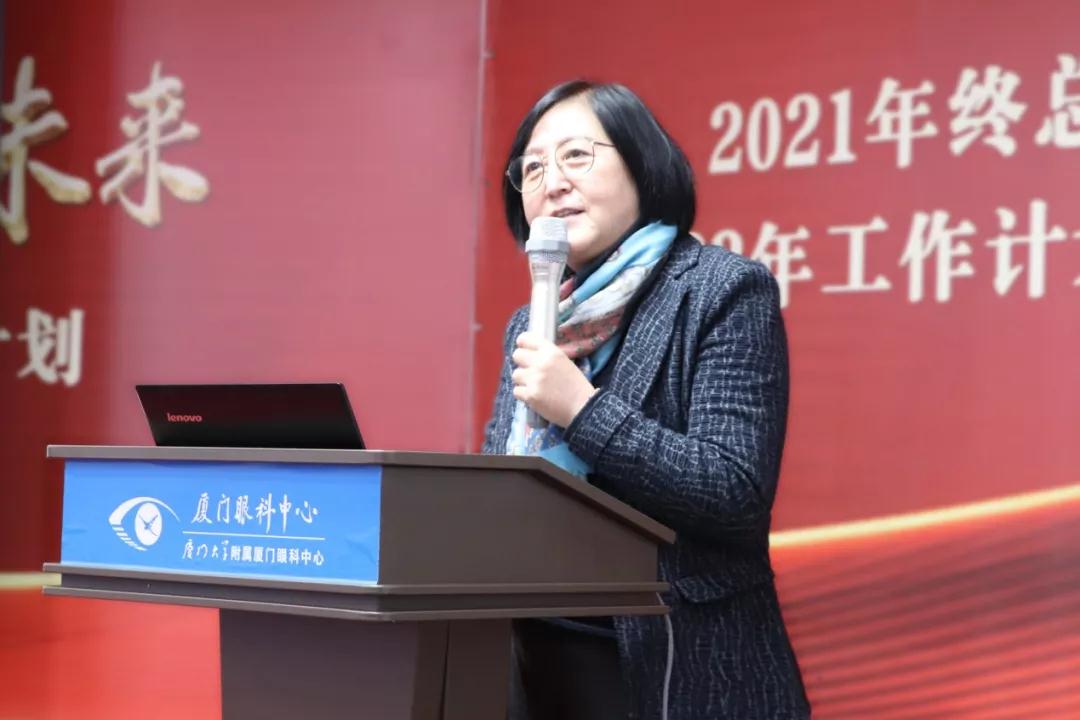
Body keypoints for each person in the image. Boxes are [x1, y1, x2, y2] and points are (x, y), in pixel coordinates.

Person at [481, 80, 810, 720]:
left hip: (679, 667)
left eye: (576, 155)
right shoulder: (535, 321)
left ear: (642, 163)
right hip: (537, 658)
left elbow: (734, 492)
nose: (552, 182)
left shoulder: (722, 290)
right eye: (533, 168)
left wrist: (582, 409)